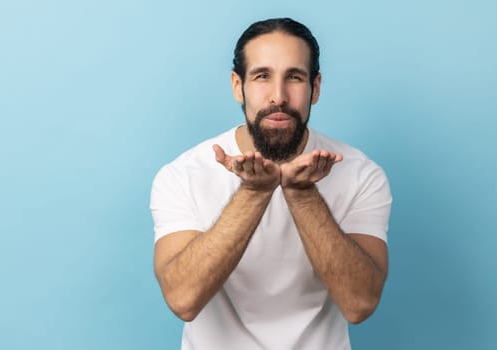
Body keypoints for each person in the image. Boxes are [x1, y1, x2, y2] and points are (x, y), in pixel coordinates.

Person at [150, 17, 392, 350]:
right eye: (262, 76)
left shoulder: (362, 174)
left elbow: (360, 304)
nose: (278, 96)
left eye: (294, 77)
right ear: (238, 86)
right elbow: (183, 299)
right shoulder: (182, 175)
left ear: (315, 88)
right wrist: (254, 193)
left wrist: (302, 195)